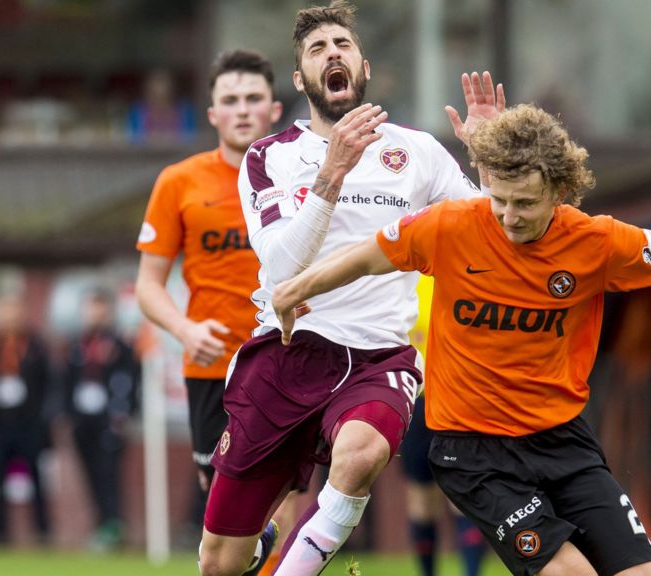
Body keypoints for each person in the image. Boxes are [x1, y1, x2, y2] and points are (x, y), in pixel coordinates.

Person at [270, 103, 651, 576]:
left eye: (526, 204)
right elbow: (368, 255)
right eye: (499, 201)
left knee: (643, 575)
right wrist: (298, 286)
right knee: (569, 575)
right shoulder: (450, 227)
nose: (510, 217)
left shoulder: (594, 243)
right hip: (472, 450)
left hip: (562, 443)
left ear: (561, 191)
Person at [196, 3, 504, 575]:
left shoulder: (416, 152)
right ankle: (259, 547)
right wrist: (330, 175)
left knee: (361, 453)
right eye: (317, 49)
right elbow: (282, 271)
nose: (332, 53)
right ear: (299, 80)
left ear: (364, 67)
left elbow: (496, 232)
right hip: (287, 353)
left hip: (377, 356)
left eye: (342, 44)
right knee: (219, 563)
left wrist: (489, 163)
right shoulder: (270, 157)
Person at [134, 49, 295, 574]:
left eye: (253, 98)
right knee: (227, 518)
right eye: (230, 100)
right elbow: (148, 286)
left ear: (274, 109)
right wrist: (183, 328)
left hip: (294, 359)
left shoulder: (303, 178)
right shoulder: (179, 182)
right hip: (213, 367)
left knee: (290, 497)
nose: (242, 109)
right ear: (212, 114)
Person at [401, 276, 486, 576]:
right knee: (422, 499)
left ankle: (472, 573)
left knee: (463, 495)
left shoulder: (461, 274)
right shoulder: (404, 277)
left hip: (458, 398)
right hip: (417, 400)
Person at [0, 294, 53, 546]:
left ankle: (42, 531)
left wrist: (43, 421)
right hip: (0, 424)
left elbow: (47, 385)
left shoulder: (35, 345)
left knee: (37, 479)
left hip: (28, 422)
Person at [63, 289, 139, 552]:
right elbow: (65, 381)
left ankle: (114, 526)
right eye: (90, 308)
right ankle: (101, 524)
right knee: (91, 475)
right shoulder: (76, 344)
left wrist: (122, 414)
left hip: (110, 421)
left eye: (99, 308)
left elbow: (130, 382)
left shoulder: (120, 346)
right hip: (83, 420)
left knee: (109, 475)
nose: (94, 315)